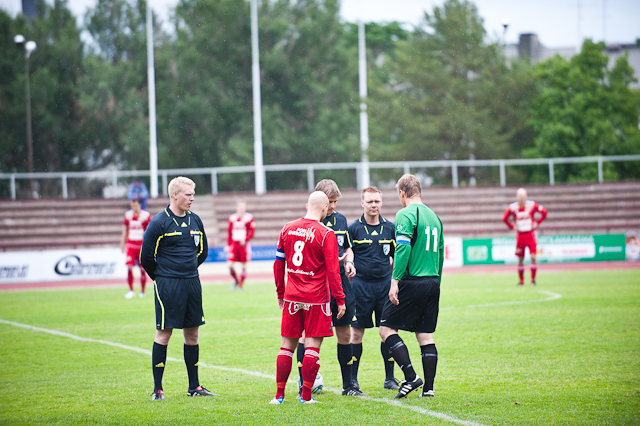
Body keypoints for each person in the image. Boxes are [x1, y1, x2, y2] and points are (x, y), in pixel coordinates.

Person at [140, 176, 214, 401]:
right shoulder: (159, 222)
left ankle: (194, 386)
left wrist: (187, 271)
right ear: (175, 195)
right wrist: (163, 277)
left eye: (193, 194)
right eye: (188, 194)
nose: (192, 198)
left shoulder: (196, 221)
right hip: (168, 285)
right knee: (164, 333)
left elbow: (203, 252)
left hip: (192, 282)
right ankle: (158, 389)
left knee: (192, 332)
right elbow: (146, 258)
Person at [270, 191, 346, 405]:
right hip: (317, 299)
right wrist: (340, 299)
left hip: (292, 297)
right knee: (312, 347)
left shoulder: (287, 228)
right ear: (324, 208)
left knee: (286, 347)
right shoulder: (326, 233)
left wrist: (280, 293)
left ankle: (279, 396)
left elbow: (278, 265)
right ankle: (305, 396)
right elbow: (333, 272)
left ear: (307, 206)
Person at [379, 174, 444, 399]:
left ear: (402, 193)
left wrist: (394, 280)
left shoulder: (405, 214)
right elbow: (440, 255)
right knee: (425, 336)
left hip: (412, 280)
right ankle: (429, 389)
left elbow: (403, 249)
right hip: (432, 281)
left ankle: (411, 376)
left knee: (386, 329)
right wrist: (437, 283)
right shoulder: (435, 217)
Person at [293, 179, 360, 396]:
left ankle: (348, 386)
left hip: (340, 284)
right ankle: (304, 383)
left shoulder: (340, 220)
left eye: (335, 201)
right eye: (330, 202)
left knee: (344, 333)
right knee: (307, 335)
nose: (332, 206)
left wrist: (348, 261)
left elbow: (348, 247)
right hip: (316, 288)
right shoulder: (308, 223)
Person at [347, 186, 399, 393]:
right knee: (357, 334)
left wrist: (394, 281)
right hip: (360, 287)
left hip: (384, 287)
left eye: (377, 201)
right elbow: (348, 254)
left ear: (381, 202)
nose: (374, 205)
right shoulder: (354, 229)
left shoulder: (390, 228)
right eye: (369, 201)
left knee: (388, 332)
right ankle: (352, 380)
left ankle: (390, 378)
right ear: (362, 203)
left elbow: (397, 257)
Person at [502, 188, 548, 286]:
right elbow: (504, 218)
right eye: (520, 195)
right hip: (520, 236)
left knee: (533, 257)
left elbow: (544, 212)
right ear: (516, 196)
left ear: (526, 196)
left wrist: (537, 223)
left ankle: (533, 280)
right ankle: (521, 281)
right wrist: (512, 226)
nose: (522, 197)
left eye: (523, 195)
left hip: (530, 235)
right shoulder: (513, 207)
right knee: (520, 259)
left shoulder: (531, 205)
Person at [120, 196, 151, 299]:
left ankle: (142, 291)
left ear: (140, 205)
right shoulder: (127, 215)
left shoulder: (146, 216)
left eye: (136, 205)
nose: (134, 207)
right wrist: (122, 242)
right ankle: (131, 290)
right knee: (129, 267)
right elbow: (125, 229)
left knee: (142, 269)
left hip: (142, 246)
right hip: (130, 245)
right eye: (132, 205)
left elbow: (149, 231)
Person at [227, 201, 255, 290]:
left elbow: (252, 232)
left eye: (243, 207)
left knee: (243, 265)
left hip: (243, 245)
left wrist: (245, 239)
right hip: (235, 244)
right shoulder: (232, 218)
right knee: (230, 264)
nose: (241, 209)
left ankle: (240, 285)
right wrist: (228, 244)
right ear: (237, 208)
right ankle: (236, 280)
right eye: (240, 207)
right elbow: (229, 232)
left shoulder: (249, 218)